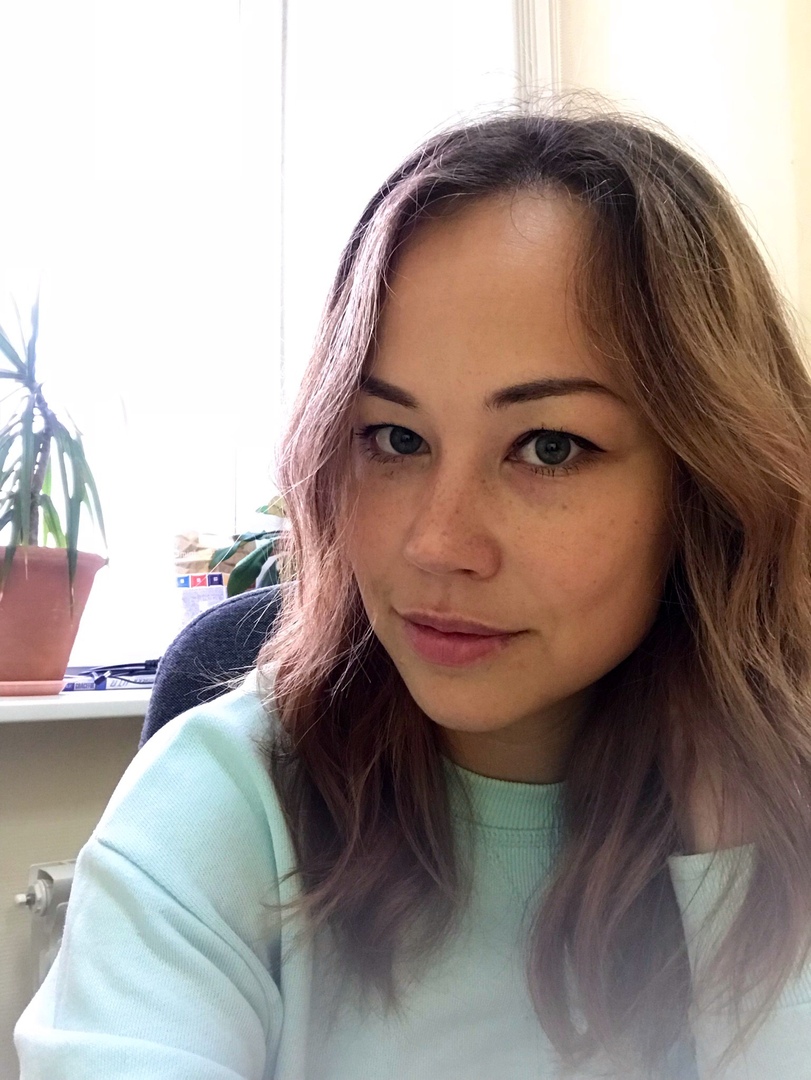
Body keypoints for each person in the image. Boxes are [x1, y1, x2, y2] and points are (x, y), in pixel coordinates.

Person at [15, 103, 811, 1080]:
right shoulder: (223, 807)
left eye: (547, 447)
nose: (436, 544)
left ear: (708, 483)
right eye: (393, 439)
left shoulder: (780, 791)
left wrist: (742, 851)